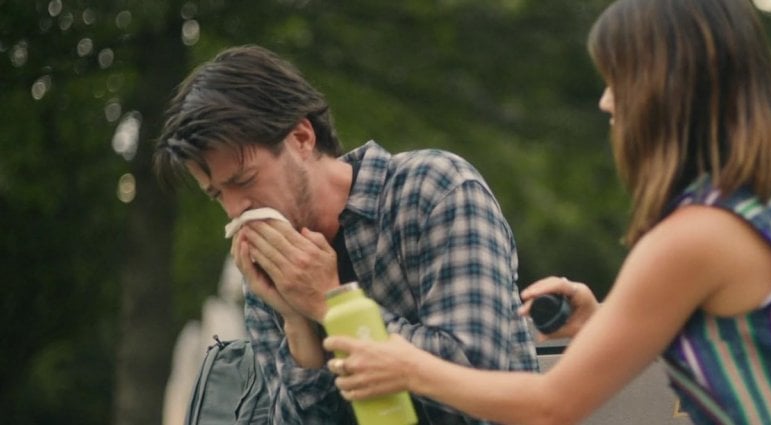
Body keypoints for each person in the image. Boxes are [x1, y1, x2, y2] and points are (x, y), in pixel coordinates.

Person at [322, 0, 771, 424]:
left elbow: (551, 407)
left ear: (667, 90)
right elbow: (752, 343)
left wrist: (406, 365)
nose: (607, 101)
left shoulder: (694, 236)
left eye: (618, 79)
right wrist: (600, 322)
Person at [153, 45, 539, 424]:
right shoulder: (267, 268)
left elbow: (475, 383)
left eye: (245, 180)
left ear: (302, 138)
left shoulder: (434, 190)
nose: (236, 210)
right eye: (218, 195)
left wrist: (329, 303)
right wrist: (296, 320)